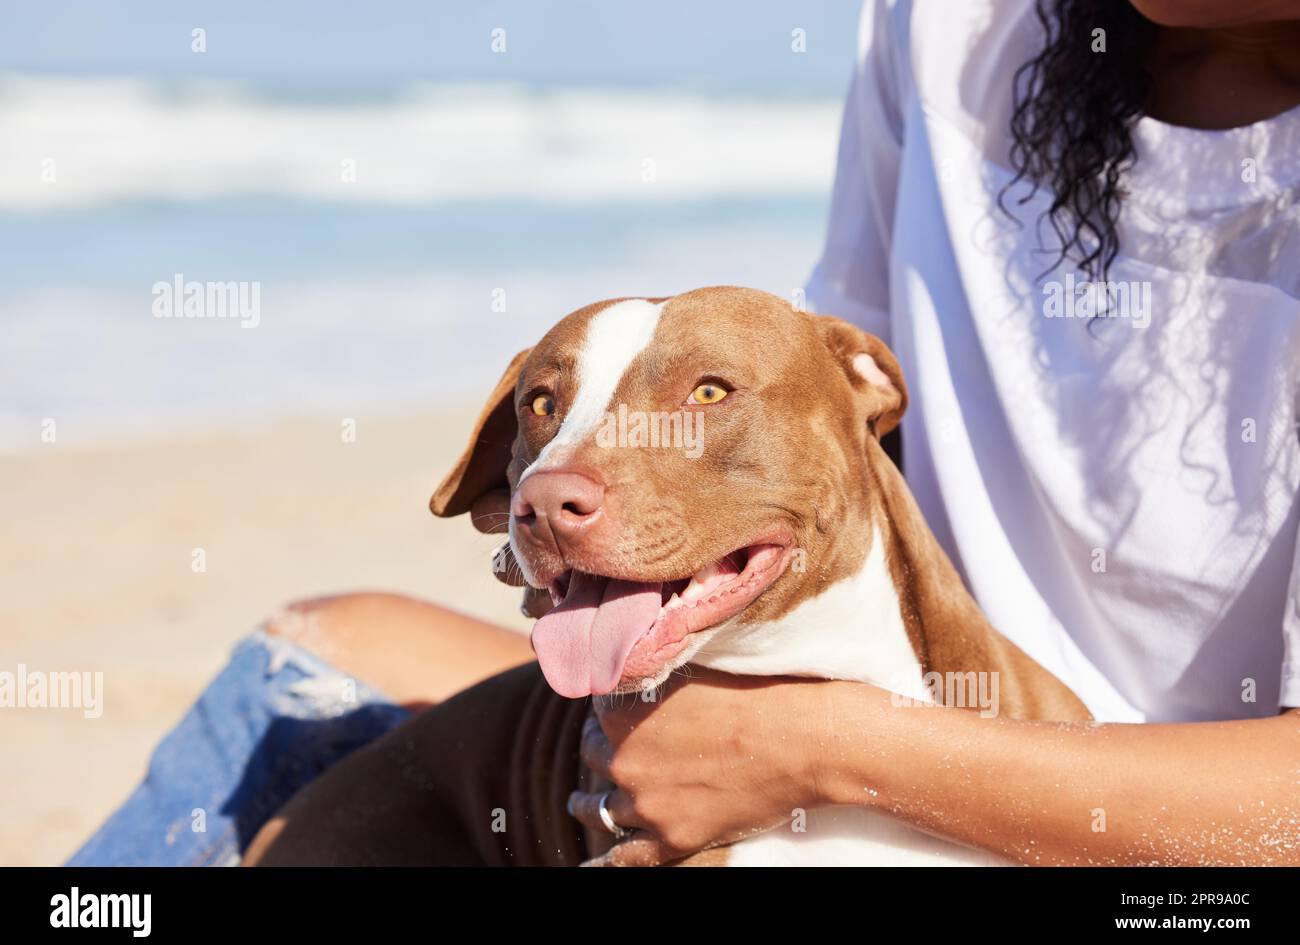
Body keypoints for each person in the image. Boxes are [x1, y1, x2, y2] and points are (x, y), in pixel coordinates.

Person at [73, 0, 1299, 867]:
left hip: (1155, 821)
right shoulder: (958, 21)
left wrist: (825, 747)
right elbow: (833, 427)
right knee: (321, 655)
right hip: (897, 682)